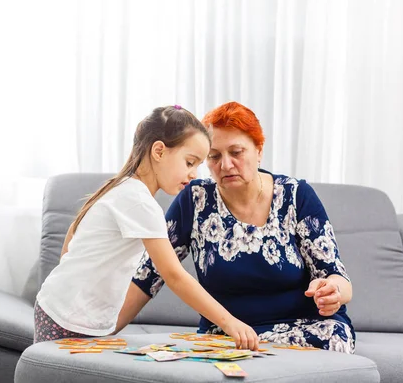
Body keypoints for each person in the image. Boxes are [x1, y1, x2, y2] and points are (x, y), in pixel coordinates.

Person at [119, 102, 355, 353]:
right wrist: (95, 330)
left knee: (333, 339)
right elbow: (148, 276)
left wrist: (333, 292)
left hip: (304, 329)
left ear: (259, 150)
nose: (226, 165)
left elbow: (336, 276)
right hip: (229, 334)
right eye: (214, 156)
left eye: (236, 152)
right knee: (225, 352)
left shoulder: (296, 195)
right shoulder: (195, 199)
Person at [35, 105, 260, 350]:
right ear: (159, 151)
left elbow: (72, 234)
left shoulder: (123, 188)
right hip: (67, 319)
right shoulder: (139, 202)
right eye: (189, 162)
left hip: (67, 311)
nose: (194, 174)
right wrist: (229, 323)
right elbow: (174, 276)